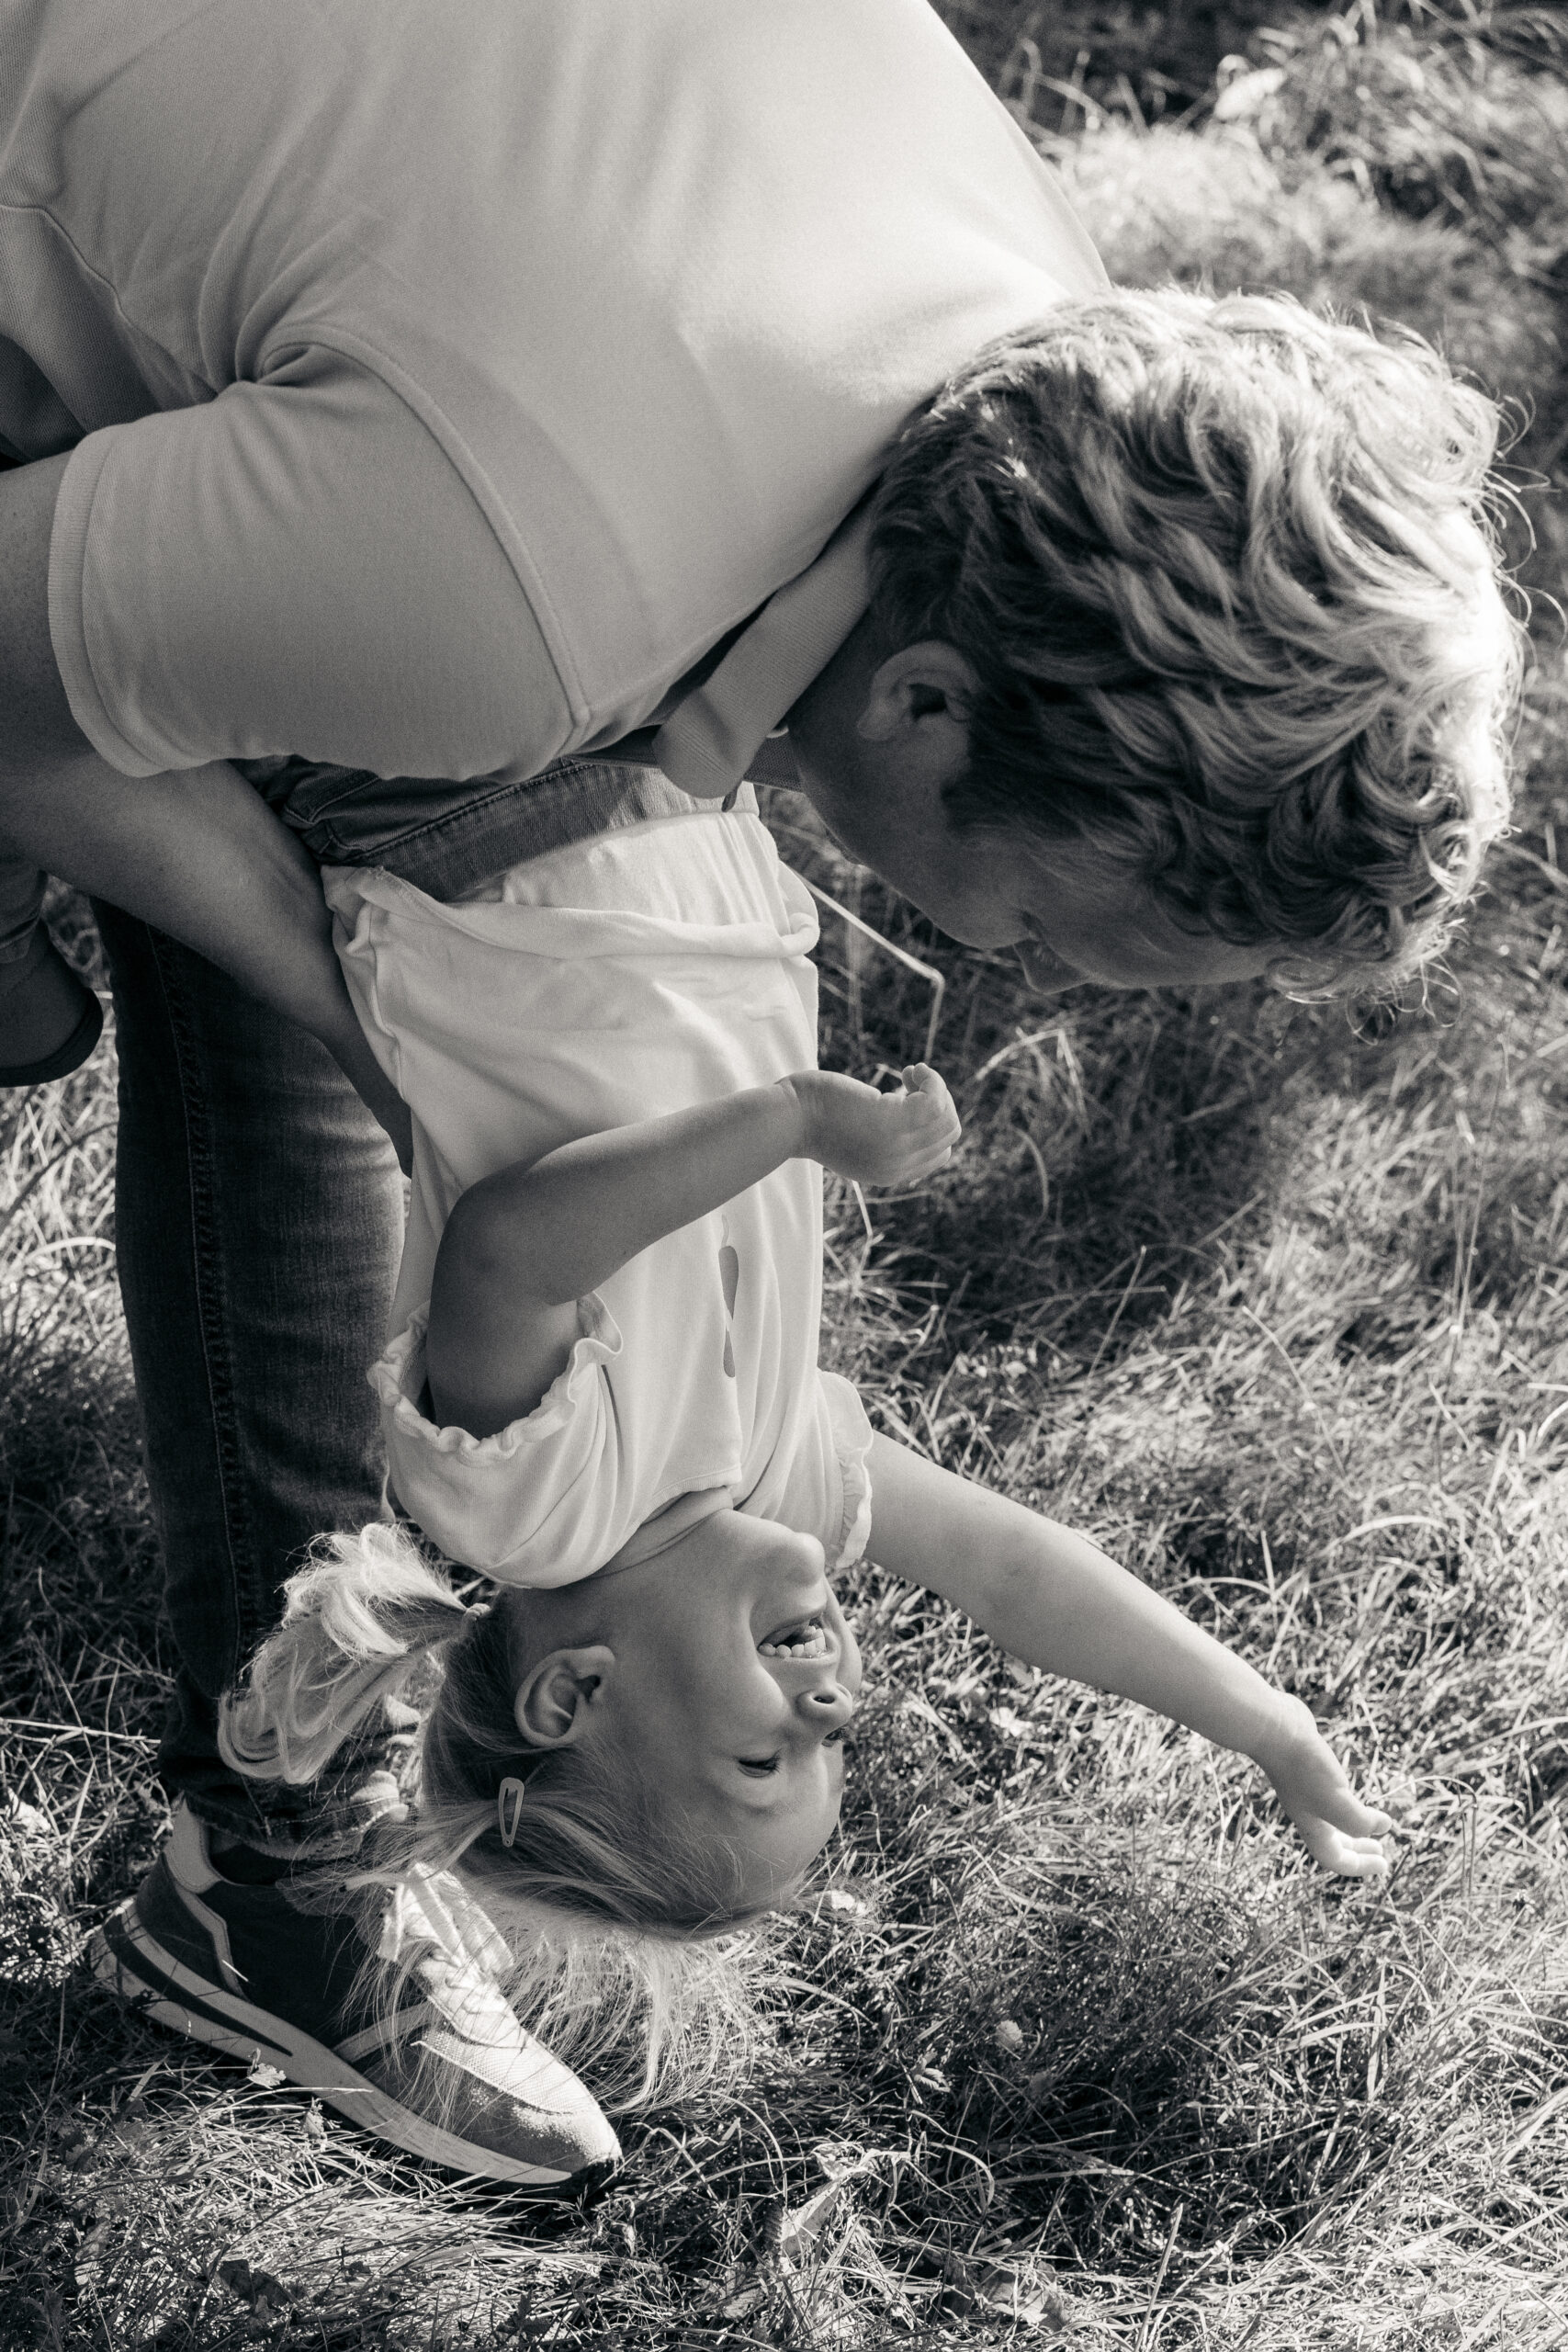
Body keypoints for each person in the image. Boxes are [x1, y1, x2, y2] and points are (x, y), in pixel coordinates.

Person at [0, 0, 1517, 2186]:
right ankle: (276, 1876)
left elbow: (998, 1557)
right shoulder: (519, 611)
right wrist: (361, 1007)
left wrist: (387, 1016)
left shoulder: (1016, 367)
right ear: (920, 688)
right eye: (1057, 930)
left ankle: (271, 1862)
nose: (1031, 981)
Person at [93, 784, 1389, 2172]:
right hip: (669, 830)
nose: (835, 1698)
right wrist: (1262, 1722)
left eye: (767, 1751)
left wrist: (787, 1125)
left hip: (474, 853)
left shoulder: (531, 1507)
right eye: (834, 1740)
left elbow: (508, 1254)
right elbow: (1013, 1575)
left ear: (573, 1692)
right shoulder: (771, 1482)